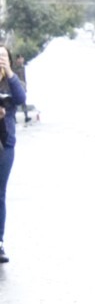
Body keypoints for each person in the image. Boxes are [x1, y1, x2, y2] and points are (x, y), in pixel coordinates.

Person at [0, 45, 27, 264]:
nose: (0, 59)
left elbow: (20, 98)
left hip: (5, 145)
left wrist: (9, 71)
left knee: (0, 193)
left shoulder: (12, 80)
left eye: (3, 56)